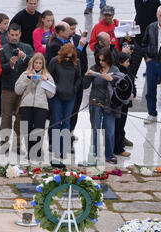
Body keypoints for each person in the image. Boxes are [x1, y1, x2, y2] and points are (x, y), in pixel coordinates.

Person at [0, 23, 34, 154]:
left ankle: (18, 145)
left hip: (24, 90)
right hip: (8, 89)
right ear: (8, 35)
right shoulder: (3, 49)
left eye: (16, 35)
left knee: (21, 118)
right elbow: (0, 69)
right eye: (11, 35)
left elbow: (35, 63)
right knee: (6, 118)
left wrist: (24, 56)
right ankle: (4, 143)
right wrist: (10, 64)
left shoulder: (27, 47)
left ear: (20, 34)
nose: (14, 37)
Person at [14, 53, 55, 161]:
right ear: (32, 63)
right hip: (26, 105)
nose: (37, 65)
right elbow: (17, 90)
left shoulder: (48, 75)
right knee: (27, 130)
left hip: (41, 106)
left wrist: (46, 82)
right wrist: (28, 79)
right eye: (36, 63)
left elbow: (51, 94)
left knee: (38, 130)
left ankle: (37, 151)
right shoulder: (25, 74)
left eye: (40, 63)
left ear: (43, 64)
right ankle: (29, 152)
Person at [83, 47, 120, 164]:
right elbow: (84, 86)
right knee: (95, 128)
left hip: (110, 103)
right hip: (95, 101)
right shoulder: (95, 68)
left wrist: (111, 79)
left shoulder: (115, 69)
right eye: (99, 60)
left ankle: (109, 155)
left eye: (103, 60)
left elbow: (120, 85)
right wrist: (87, 75)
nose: (101, 62)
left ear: (109, 59)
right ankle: (95, 154)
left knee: (109, 130)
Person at [48, 43, 81, 163]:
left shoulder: (76, 62)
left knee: (67, 121)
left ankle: (64, 148)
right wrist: (55, 87)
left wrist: (75, 89)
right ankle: (56, 147)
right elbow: (48, 76)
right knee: (56, 120)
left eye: (70, 57)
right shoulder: (54, 61)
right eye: (66, 57)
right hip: (57, 95)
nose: (68, 59)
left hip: (70, 95)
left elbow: (79, 78)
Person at [62, 17, 88, 149]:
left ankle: (71, 132)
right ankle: (63, 139)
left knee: (75, 109)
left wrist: (83, 77)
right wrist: (80, 47)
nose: (72, 31)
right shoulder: (62, 42)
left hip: (78, 80)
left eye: (74, 29)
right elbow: (69, 59)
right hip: (66, 82)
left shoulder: (79, 39)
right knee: (66, 111)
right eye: (70, 29)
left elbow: (83, 60)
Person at [114, 52, 136, 157]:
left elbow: (132, 83)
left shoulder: (128, 70)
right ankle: (118, 148)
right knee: (118, 126)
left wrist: (133, 93)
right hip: (119, 103)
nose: (128, 63)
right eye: (127, 61)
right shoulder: (118, 72)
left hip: (126, 103)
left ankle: (120, 144)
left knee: (122, 125)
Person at [132, 0, 161, 78]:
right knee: (135, 62)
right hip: (139, 33)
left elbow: (157, 17)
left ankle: (153, 73)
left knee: (151, 59)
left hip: (150, 34)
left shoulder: (156, 2)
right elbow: (139, 12)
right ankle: (132, 76)